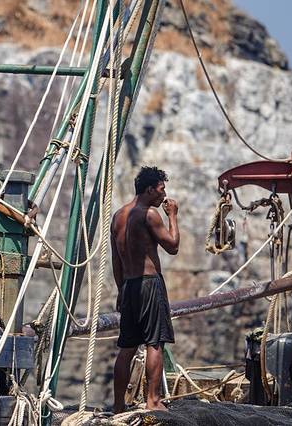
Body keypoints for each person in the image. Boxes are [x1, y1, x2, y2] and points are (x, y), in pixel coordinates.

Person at [111, 166, 180, 412]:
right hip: (149, 283)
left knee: (127, 347)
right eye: (161, 189)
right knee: (155, 342)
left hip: (129, 286)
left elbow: (116, 260)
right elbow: (173, 246)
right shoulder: (149, 214)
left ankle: (118, 405)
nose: (164, 195)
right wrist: (173, 216)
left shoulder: (118, 216)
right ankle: (153, 400)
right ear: (150, 190)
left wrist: (121, 289)